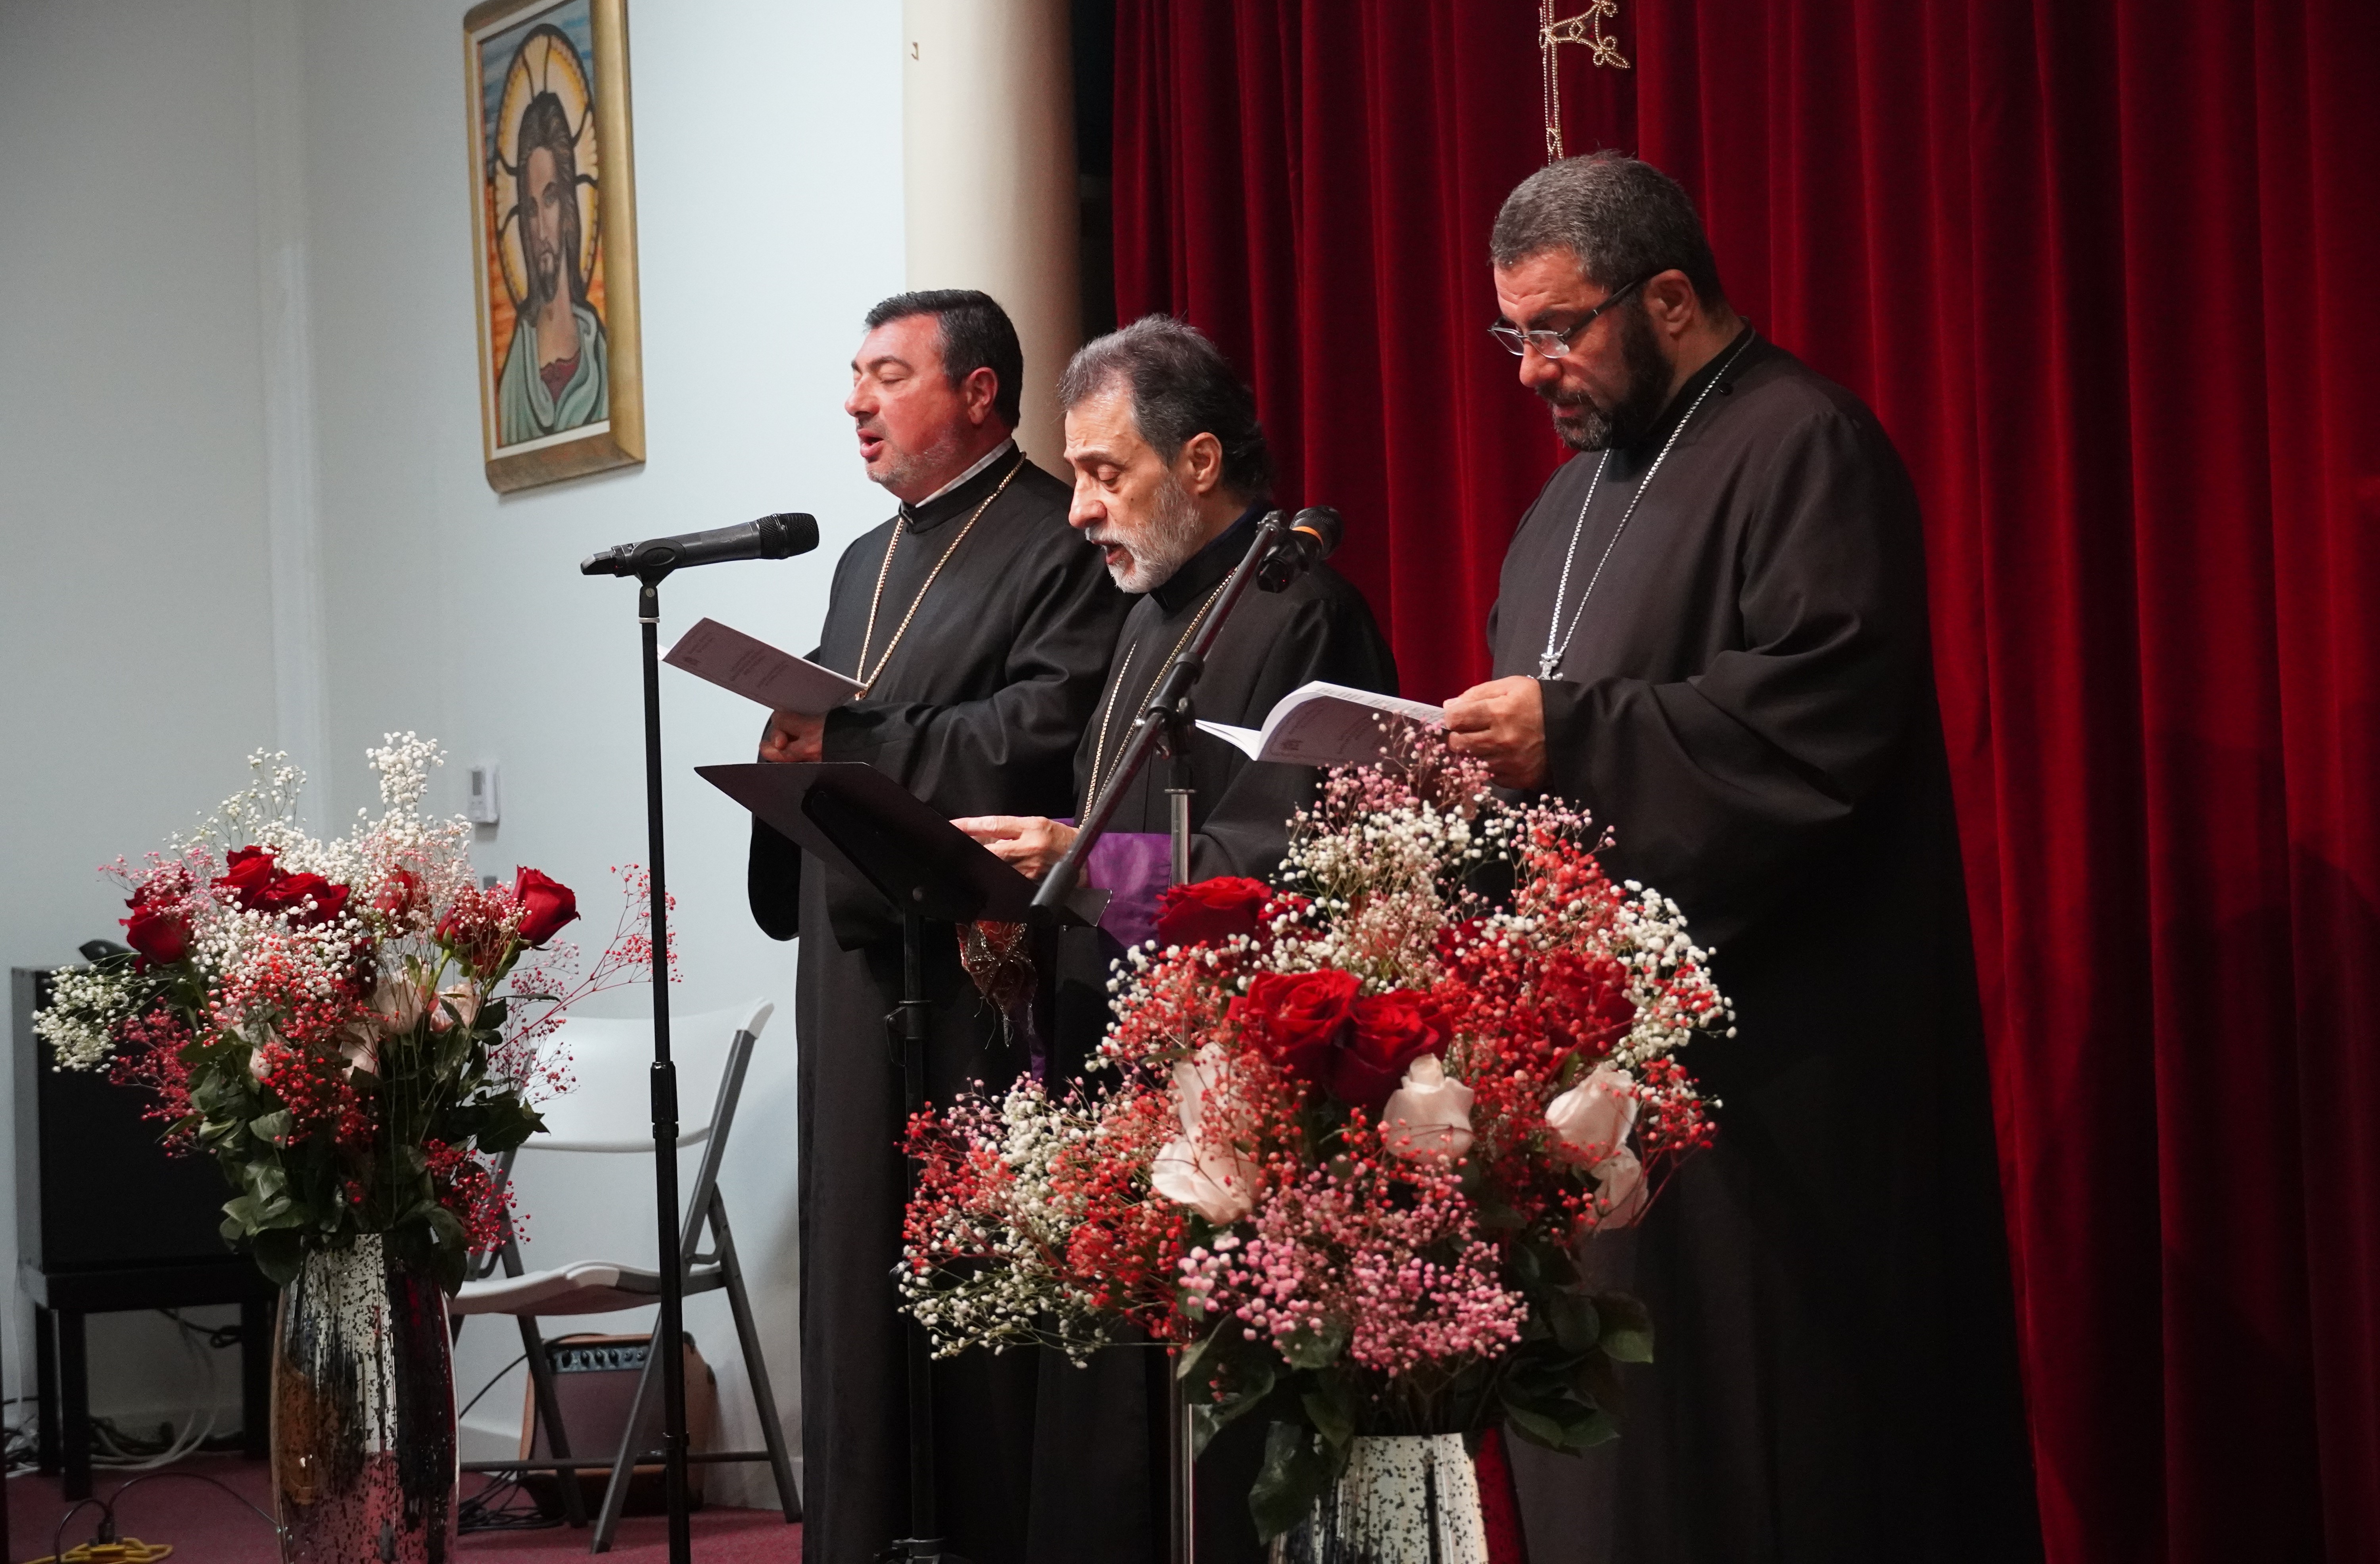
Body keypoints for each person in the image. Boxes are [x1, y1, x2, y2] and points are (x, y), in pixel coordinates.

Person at [1442, 154, 2041, 1563]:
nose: (1527, 371)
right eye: (1508, 334)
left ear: (1666, 296)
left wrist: (1571, 733)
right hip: (1596, 1089)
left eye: (1554, 329)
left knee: (1768, 1464)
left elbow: (1814, 726)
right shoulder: (1561, 506)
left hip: (1776, 1081)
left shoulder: (1804, 445)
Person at [956, 315, 1397, 1562]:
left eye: (1106, 473)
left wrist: (1087, 866)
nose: (1080, 510)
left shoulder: (1302, 613)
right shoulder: (1158, 618)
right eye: (1077, 475)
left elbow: (1299, 857)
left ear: (1200, 461)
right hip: (1122, 1085)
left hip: (1241, 1112)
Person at [746, 289, 1130, 1564]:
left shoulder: (1055, 539)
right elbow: (842, 730)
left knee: (966, 1278)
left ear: (978, 393)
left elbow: (1047, 726)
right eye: (855, 375)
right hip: (853, 965)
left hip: (973, 977)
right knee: (858, 1266)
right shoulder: (862, 561)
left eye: (889, 375)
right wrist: (792, 747)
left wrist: (850, 741)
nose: (857, 401)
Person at [496, 90, 608, 443]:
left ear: (568, 207)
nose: (542, 231)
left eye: (550, 200)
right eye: (531, 210)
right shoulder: (516, 372)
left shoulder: (599, 355)